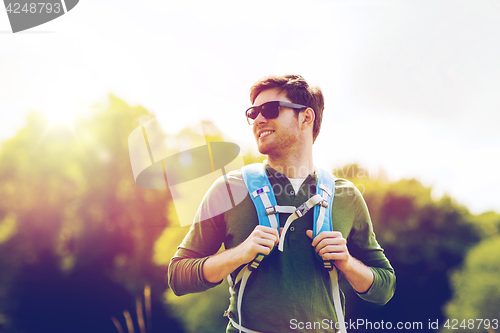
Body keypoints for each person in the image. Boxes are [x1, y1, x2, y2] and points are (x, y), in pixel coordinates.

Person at [168, 74, 395, 333]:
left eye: (270, 109)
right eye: (253, 113)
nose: (258, 120)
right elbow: (178, 276)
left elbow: (385, 288)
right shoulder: (229, 190)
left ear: (306, 118)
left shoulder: (346, 196)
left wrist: (347, 262)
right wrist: (239, 254)